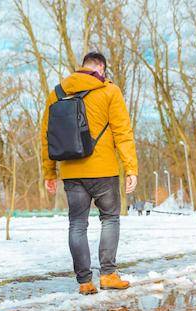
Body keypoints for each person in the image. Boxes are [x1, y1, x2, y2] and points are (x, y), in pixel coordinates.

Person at [41, 51, 139, 296]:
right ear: (101, 68)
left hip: (72, 172)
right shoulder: (109, 91)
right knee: (110, 218)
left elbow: (46, 138)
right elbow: (123, 133)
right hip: (103, 170)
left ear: (82, 67)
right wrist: (131, 168)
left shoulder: (57, 94)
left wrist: (50, 173)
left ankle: (85, 282)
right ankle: (108, 275)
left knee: (77, 224)